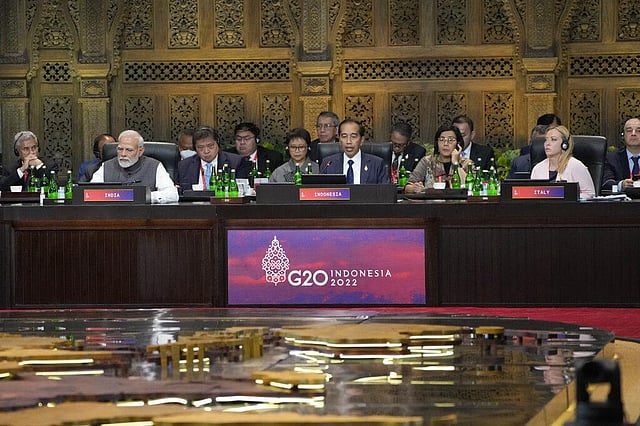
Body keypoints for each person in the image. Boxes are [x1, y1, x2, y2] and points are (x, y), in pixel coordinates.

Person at [90, 129, 178, 203]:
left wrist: (141, 196)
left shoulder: (155, 166)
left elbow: (172, 195)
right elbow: (91, 193)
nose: (123, 154)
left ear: (140, 151)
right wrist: (122, 196)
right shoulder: (106, 166)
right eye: (120, 149)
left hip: (145, 215)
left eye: (129, 150)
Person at [530, 125, 595, 199]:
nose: (547, 143)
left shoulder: (575, 166)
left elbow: (590, 194)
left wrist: (567, 197)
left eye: (553, 139)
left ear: (565, 144)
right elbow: (533, 195)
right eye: (546, 139)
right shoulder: (538, 168)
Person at [177, 125, 249, 191]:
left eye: (210, 146)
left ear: (218, 143)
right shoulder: (184, 166)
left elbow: (242, 191)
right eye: (200, 147)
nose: (206, 151)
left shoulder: (236, 162)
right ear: (195, 148)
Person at [404, 125, 473, 193]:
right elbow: (408, 186)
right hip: (432, 200)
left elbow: (470, 187)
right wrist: (414, 188)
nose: (445, 144)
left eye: (450, 140)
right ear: (437, 143)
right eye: (442, 140)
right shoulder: (427, 161)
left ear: (458, 144)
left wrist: (455, 162)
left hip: (458, 200)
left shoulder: (467, 163)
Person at [320, 119, 390, 184]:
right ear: (340, 140)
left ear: (361, 140)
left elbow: (384, 191)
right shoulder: (328, 164)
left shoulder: (377, 164)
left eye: (353, 136)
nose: (348, 141)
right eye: (344, 136)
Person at [602, 117, 640, 192]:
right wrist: (621, 185)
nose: (633, 134)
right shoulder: (611, 159)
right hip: (623, 199)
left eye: (638, 131)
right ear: (623, 135)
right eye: (629, 130)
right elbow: (605, 184)